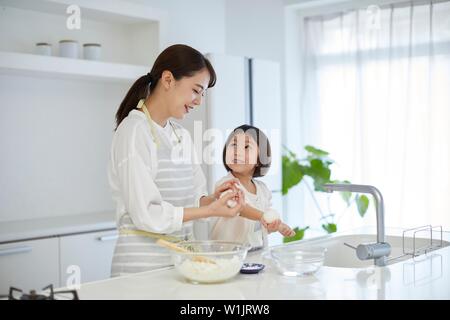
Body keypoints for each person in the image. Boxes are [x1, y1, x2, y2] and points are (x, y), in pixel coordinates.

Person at [108, 44, 244, 277]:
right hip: (141, 271)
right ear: (168, 80)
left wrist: (215, 199)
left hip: (180, 263)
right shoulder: (133, 132)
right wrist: (210, 210)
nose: (199, 101)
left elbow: (192, 202)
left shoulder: (181, 135)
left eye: (203, 94)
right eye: (196, 90)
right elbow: (147, 214)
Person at [210, 125, 295, 249]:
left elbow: (260, 227)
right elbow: (240, 208)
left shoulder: (263, 190)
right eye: (233, 145)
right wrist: (263, 217)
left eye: (246, 147)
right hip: (226, 258)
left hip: (255, 256)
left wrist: (272, 226)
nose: (237, 152)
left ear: (260, 158)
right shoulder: (226, 185)